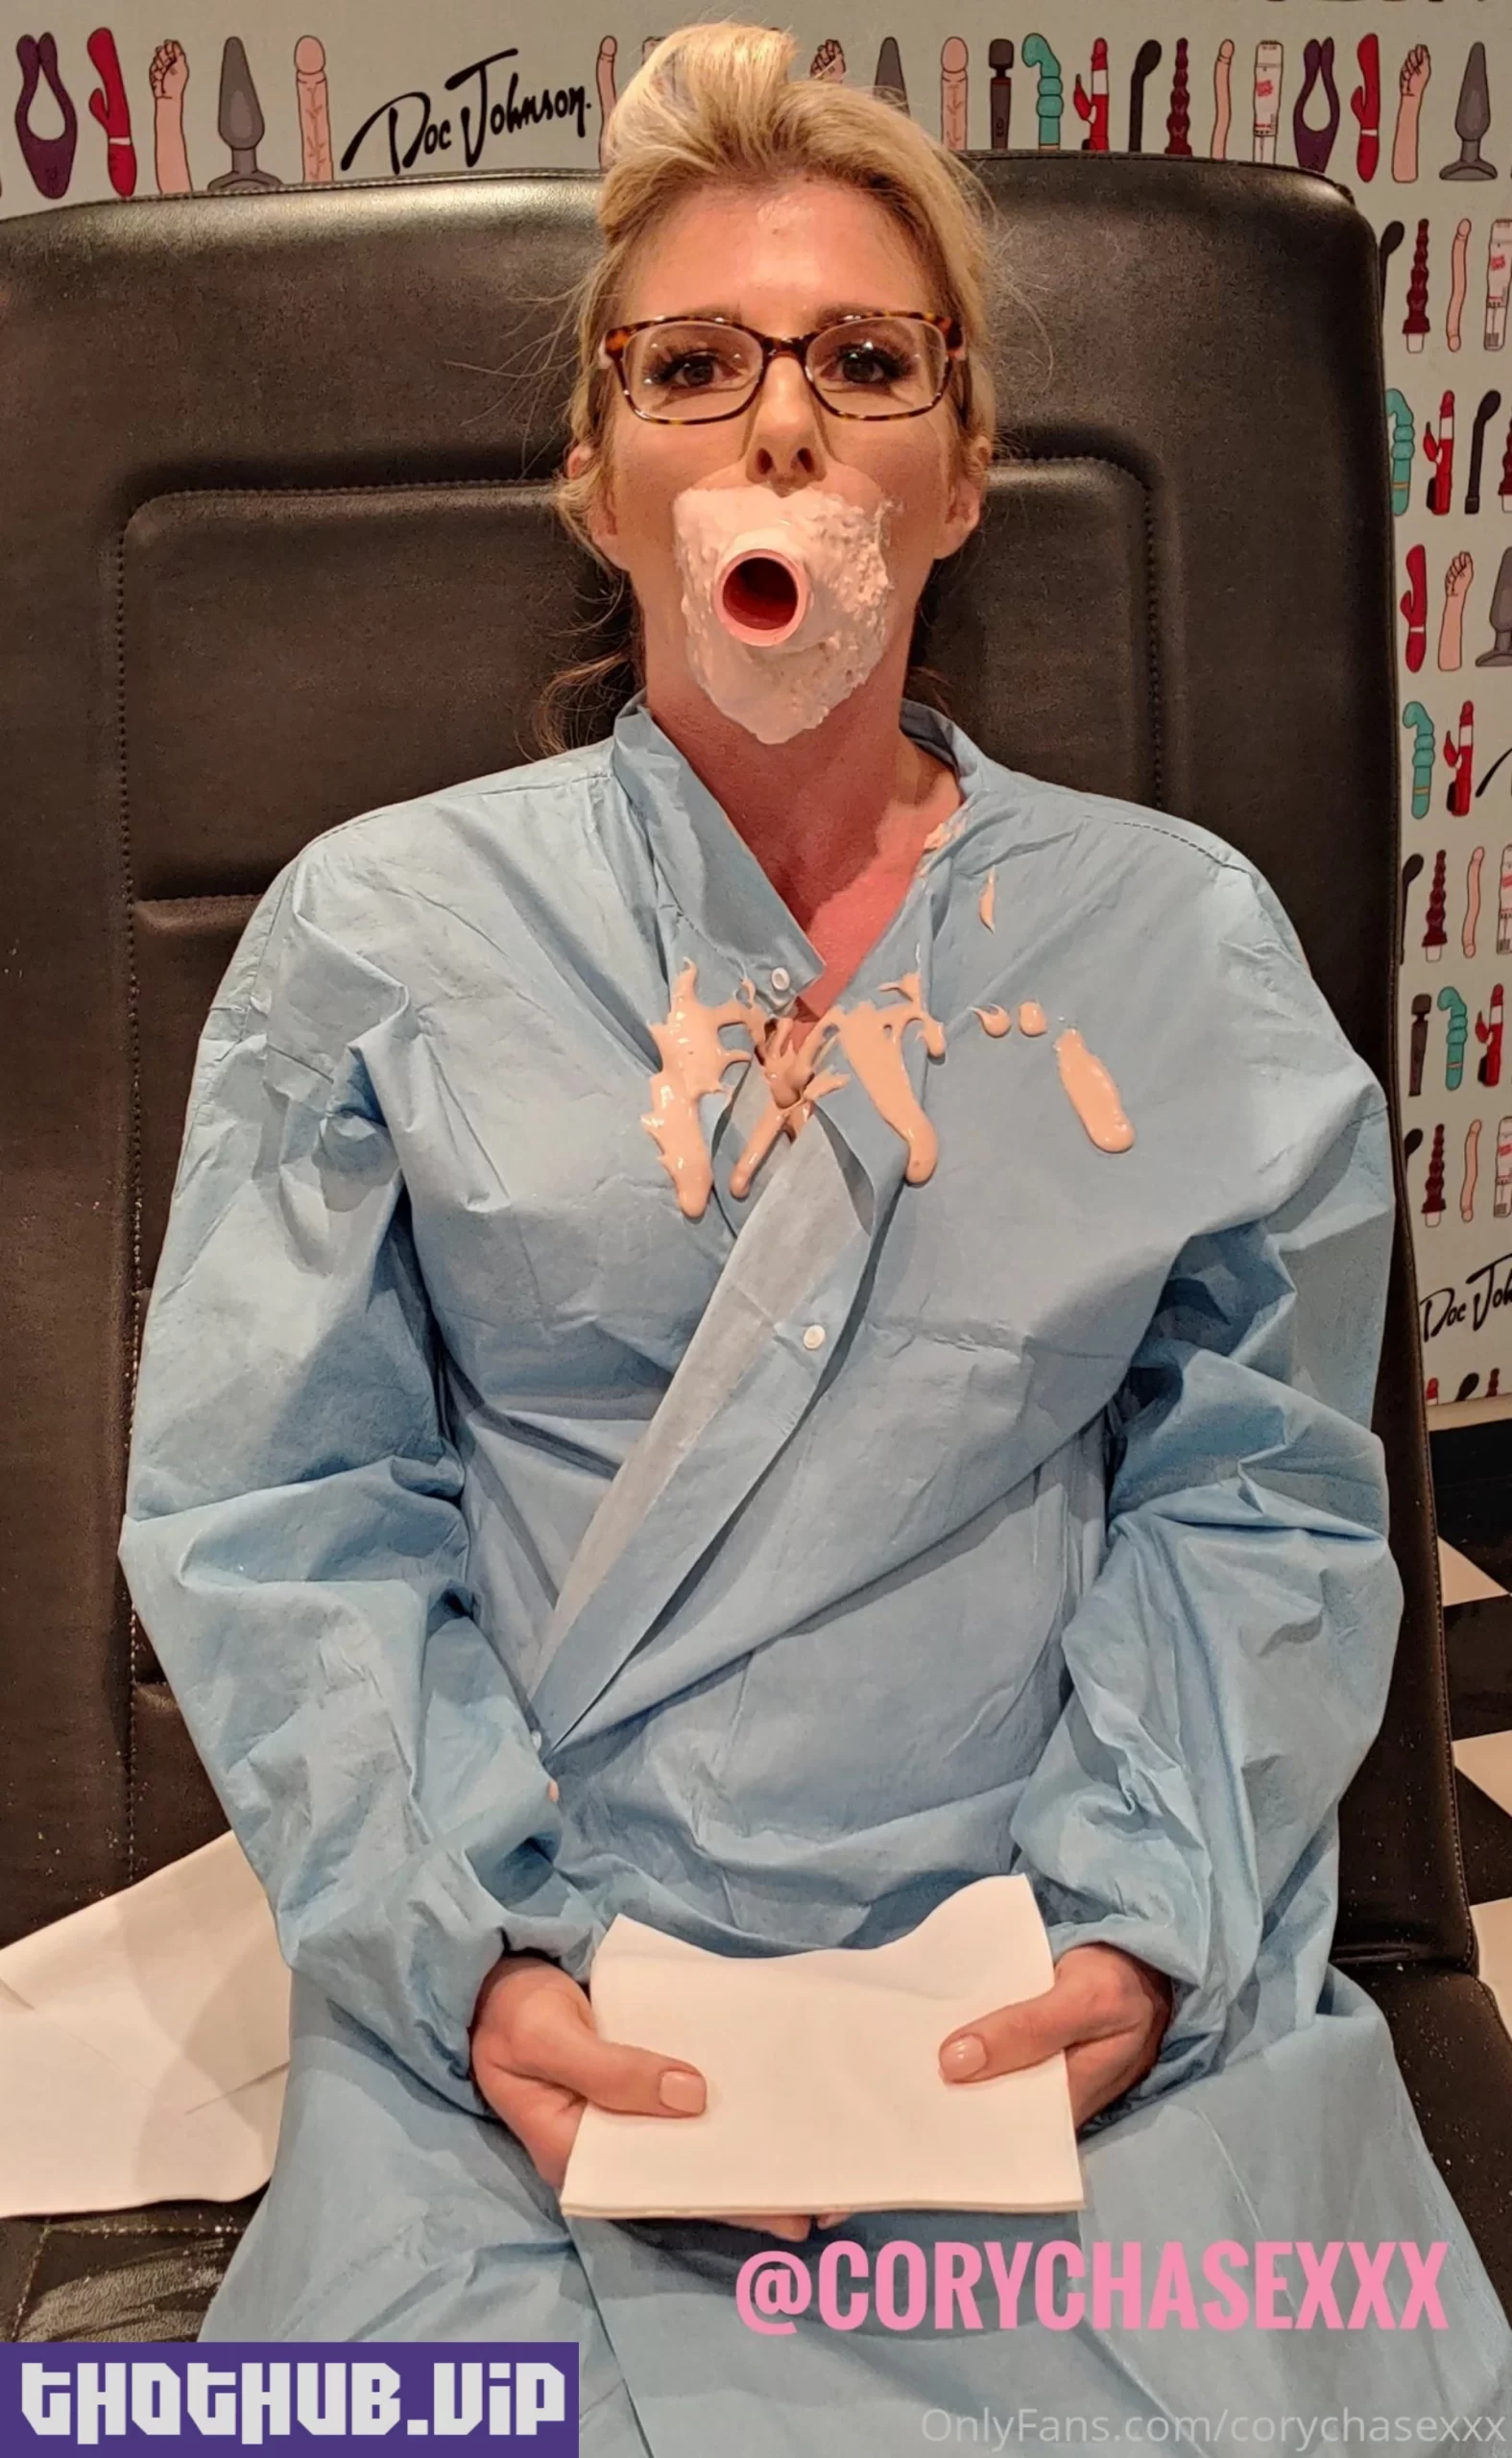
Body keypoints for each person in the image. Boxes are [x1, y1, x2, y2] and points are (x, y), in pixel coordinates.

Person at [118, 20, 1512, 2439]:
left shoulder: (1169, 944)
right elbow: (280, 1509)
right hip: (539, 1991)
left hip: (1067, 1975)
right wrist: (474, 1960)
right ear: (599, 475)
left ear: (959, 470)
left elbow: (1266, 1492)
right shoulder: (383, 932)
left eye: (867, 362)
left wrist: (1141, 1924)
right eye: (694, 366)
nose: (781, 422)